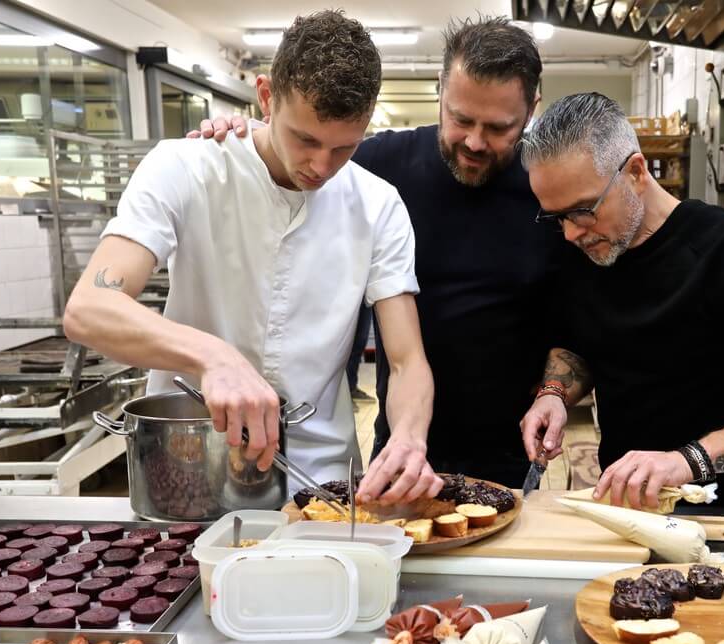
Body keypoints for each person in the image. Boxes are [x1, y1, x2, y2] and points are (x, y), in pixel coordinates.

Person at [64, 11, 442, 504]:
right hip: (190, 464)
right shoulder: (186, 167)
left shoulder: (378, 205)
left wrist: (409, 436)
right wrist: (214, 356)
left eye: (344, 148)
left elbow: (407, 357)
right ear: (266, 97)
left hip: (319, 475)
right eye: (304, 139)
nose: (320, 166)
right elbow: (89, 310)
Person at [192, 17, 564, 488]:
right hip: (399, 447)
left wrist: (554, 391)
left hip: (513, 454)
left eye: (497, 128)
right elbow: (296, 166)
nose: (473, 141)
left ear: (531, 110)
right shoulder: (376, 168)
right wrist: (246, 140)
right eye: (460, 119)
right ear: (440, 90)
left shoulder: (548, 192)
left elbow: (574, 318)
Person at [518, 93, 724, 509]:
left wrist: (686, 461)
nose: (569, 233)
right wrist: (553, 394)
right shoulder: (585, 249)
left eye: (583, 211)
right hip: (621, 504)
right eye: (557, 217)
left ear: (636, 171)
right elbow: (583, 347)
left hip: (717, 512)